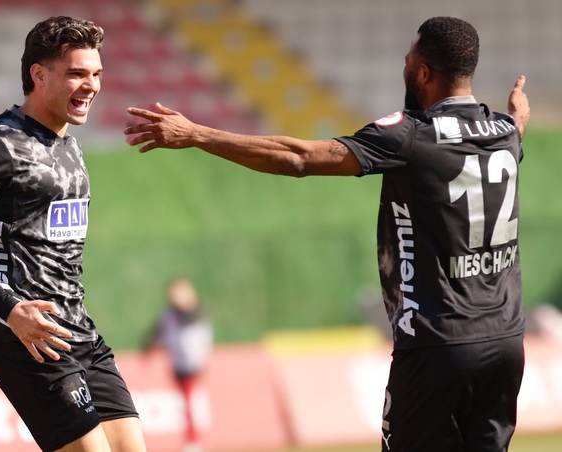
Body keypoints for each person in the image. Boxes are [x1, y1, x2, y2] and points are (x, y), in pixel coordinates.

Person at [124, 16, 530, 452]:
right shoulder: (504, 133)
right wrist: (516, 116)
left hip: (439, 345)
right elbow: (511, 131)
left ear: (425, 73)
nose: (405, 67)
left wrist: (196, 134)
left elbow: (300, 157)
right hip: (506, 342)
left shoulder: (411, 134)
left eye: (409, 61)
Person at [0, 16, 147, 452]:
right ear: (39, 74)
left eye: (96, 74)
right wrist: (11, 309)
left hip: (79, 332)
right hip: (24, 337)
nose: (91, 86)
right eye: (77, 74)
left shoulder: (69, 146)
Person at [143, 278, 213, 452]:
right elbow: (159, 332)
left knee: (189, 402)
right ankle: (192, 439)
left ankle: (193, 440)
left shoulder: (195, 312)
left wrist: (203, 358)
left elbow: (202, 335)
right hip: (178, 365)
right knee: (185, 403)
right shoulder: (168, 314)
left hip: (192, 364)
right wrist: (150, 347)